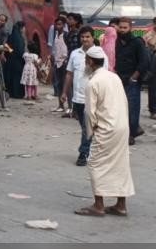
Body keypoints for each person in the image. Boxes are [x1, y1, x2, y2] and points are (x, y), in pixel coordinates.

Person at [74, 46, 135, 218]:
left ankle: (98, 205)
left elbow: (89, 113)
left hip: (106, 128)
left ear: (90, 62)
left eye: (86, 61)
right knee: (120, 164)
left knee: (95, 163)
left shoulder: (93, 83)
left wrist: (90, 132)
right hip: (121, 126)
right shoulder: (114, 77)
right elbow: (124, 102)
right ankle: (121, 205)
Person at [62, 26, 107, 167]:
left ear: (93, 38)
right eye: (82, 37)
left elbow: (104, 76)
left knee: (87, 127)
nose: (85, 39)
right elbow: (69, 74)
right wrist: (64, 92)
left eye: (87, 36)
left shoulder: (100, 54)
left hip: (93, 98)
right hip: (78, 98)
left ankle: (83, 153)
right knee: (86, 126)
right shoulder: (75, 54)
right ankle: (94, 150)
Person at [115, 17, 149, 145]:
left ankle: (131, 134)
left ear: (130, 28)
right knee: (120, 108)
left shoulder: (137, 42)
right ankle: (130, 130)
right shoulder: (116, 42)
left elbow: (144, 61)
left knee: (132, 108)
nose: (122, 30)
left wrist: (134, 77)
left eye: (125, 28)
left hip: (132, 80)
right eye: (120, 27)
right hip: (118, 79)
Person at [4, 21, 26, 99]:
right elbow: (20, 50)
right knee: (17, 77)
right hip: (18, 61)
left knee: (12, 76)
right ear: (21, 28)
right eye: (24, 28)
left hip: (10, 60)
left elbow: (7, 48)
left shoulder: (11, 36)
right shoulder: (19, 38)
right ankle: (17, 93)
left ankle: (12, 93)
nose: (24, 29)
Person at [51, 16, 69, 111]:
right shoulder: (56, 35)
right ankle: (61, 105)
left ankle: (69, 106)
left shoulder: (66, 35)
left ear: (64, 25)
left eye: (60, 24)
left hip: (64, 62)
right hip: (57, 62)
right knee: (58, 84)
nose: (57, 26)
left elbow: (67, 49)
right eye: (56, 24)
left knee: (66, 85)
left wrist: (66, 59)